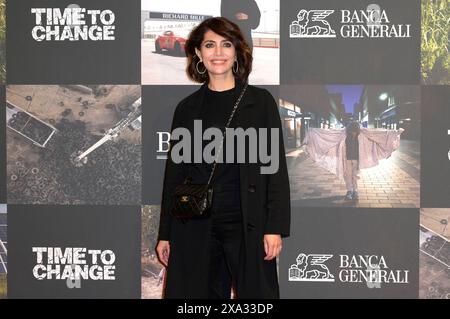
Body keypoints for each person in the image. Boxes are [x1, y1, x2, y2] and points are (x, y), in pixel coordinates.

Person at [155, 17, 290, 299]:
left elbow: (274, 169)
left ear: (237, 52)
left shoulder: (261, 102)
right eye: (210, 45)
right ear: (198, 54)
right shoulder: (187, 109)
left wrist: (274, 227)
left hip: (247, 221)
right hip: (195, 222)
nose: (218, 52)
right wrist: (165, 233)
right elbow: (174, 174)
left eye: (226, 44)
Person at [303, 121, 405, 201]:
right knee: (347, 175)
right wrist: (312, 132)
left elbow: (379, 133)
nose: (353, 134)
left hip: (357, 159)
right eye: (352, 132)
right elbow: (328, 134)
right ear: (348, 130)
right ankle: (349, 191)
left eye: (355, 132)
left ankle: (355, 191)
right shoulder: (343, 134)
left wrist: (395, 133)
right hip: (346, 158)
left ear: (358, 130)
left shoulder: (363, 134)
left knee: (355, 175)